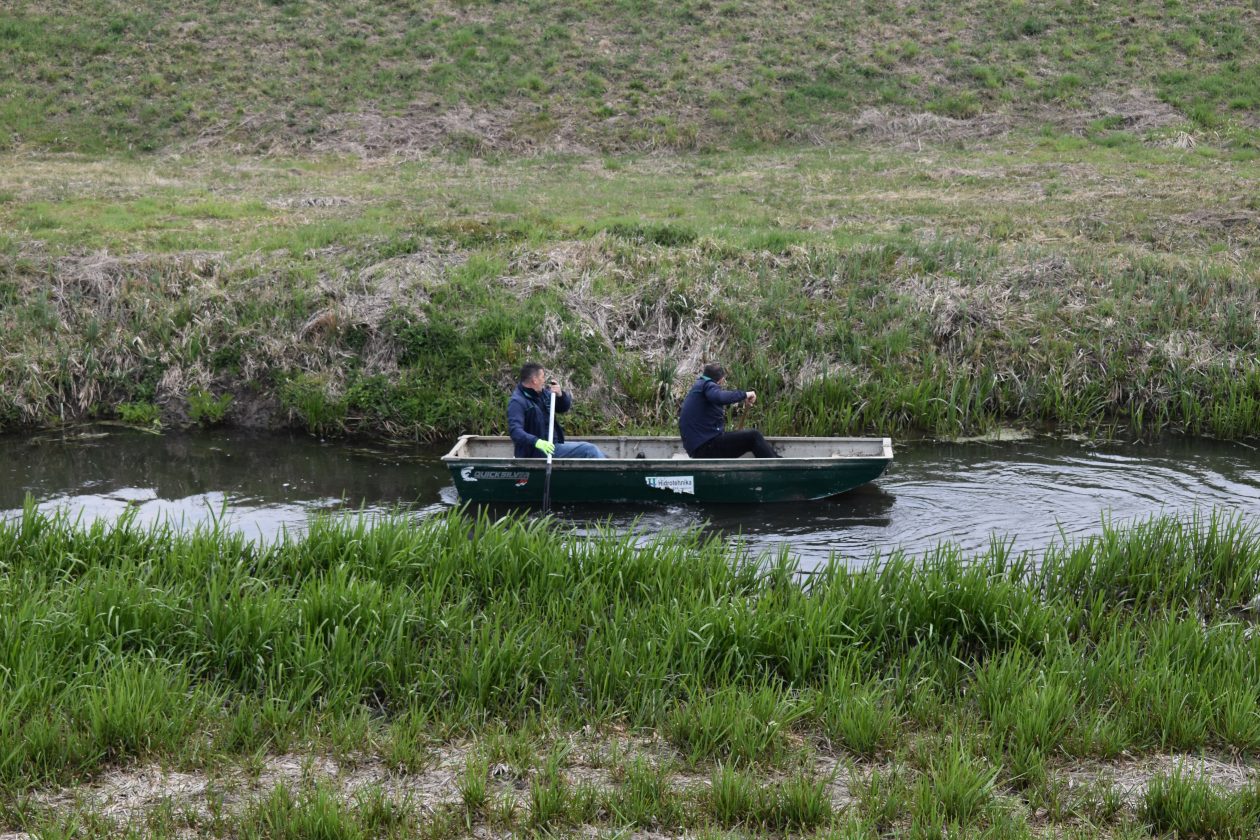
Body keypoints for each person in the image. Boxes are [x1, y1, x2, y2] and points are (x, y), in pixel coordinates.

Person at [678, 363, 780, 459]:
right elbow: (720, 397)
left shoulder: (699, 387)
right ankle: (779, 467)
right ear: (720, 380)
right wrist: (745, 394)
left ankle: (780, 461)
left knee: (747, 437)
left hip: (700, 447)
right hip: (705, 448)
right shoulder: (708, 385)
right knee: (753, 436)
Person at [508, 362, 607, 459]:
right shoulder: (517, 402)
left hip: (552, 446)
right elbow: (515, 431)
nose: (544, 380)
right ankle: (611, 473)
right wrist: (537, 442)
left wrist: (560, 395)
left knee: (594, 451)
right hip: (537, 453)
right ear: (534, 380)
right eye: (542, 377)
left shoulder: (543, 394)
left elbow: (563, 408)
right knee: (589, 450)